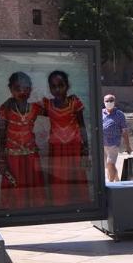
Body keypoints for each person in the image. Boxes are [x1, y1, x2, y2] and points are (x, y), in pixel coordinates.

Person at [0, 72, 45, 208]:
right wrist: (1, 160)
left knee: (33, 186)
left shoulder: (35, 108)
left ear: (31, 89)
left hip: (31, 156)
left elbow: (56, 110)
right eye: (18, 88)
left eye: (26, 88)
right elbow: (1, 136)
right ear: (11, 89)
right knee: (15, 189)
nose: (22, 91)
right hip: (12, 158)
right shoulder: (5, 110)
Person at [43, 70, 89, 205]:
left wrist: (86, 149)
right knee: (59, 177)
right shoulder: (48, 104)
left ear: (67, 86)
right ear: (50, 88)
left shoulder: (75, 102)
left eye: (61, 85)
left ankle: (79, 205)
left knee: (76, 175)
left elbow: (82, 126)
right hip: (56, 148)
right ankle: (60, 204)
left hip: (74, 147)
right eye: (53, 86)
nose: (57, 89)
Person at [101, 93, 132, 182]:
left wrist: (128, 146)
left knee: (110, 164)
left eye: (111, 101)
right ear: (104, 102)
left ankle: (110, 184)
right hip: (102, 144)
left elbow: (124, 131)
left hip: (113, 144)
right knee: (108, 166)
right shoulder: (100, 113)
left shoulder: (119, 114)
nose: (109, 102)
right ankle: (117, 180)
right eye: (107, 101)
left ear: (114, 102)